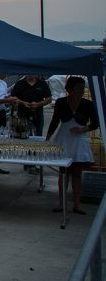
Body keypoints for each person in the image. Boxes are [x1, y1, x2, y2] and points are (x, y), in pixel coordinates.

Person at [46, 76, 100, 215]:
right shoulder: (61, 102)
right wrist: (48, 137)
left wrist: (83, 129)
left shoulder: (87, 104)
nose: (81, 91)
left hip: (79, 139)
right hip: (64, 138)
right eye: (78, 89)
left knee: (77, 173)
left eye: (83, 89)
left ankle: (77, 204)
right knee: (64, 172)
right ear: (70, 89)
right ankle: (61, 203)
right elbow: (55, 120)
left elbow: (95, 124)